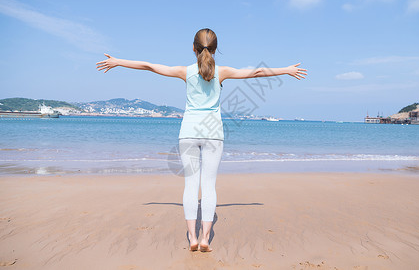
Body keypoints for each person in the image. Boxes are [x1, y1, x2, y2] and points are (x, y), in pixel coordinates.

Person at [96, 28, 307, 252]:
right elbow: (256, 73)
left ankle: (192, 237)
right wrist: (286, 70)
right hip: (214, 135)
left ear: (194, 48)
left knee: (190, 186)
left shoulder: (184, 71)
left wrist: (118, 61)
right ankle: (206, 239)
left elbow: (149, 66)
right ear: (215, 50)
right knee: (208, 186)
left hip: (188, 133)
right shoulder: (222, 71)